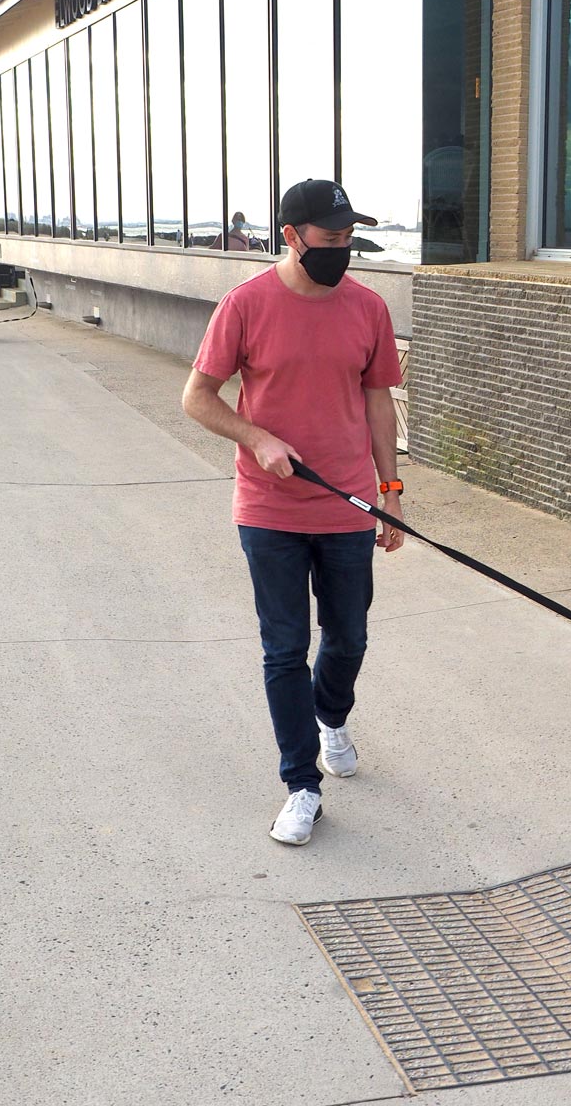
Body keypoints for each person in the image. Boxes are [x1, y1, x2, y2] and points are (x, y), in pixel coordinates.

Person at [182, 179, 405, 845]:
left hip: (347, 505)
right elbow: (196, 396)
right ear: (292, 236)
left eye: (348, 238)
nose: (344, 249)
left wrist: (390, 497)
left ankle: (331, 716)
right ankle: (301, 785)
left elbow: (378, 402)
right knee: (284, 648)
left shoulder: (367, 308)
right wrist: (256, 437)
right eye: (331, 238)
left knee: (349, 637)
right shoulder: (246, 305)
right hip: (268, 507)